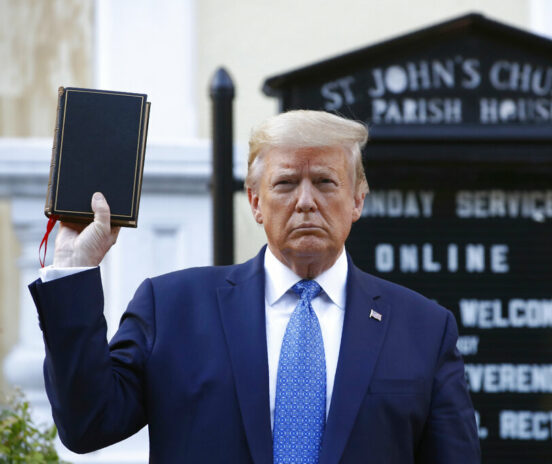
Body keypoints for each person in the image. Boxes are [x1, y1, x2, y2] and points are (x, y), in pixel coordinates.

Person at [29, 110, 480, 463]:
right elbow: (87, 423)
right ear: (255, 201)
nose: (306, 201)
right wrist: (74, 270)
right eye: (286, 183)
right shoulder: (173, 309)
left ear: (358, 199)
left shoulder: (422, 328)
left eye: (325, 181)